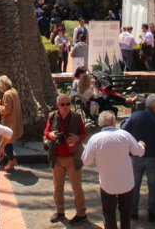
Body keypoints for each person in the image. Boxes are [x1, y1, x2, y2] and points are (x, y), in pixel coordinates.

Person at [83, 111, 145, 229]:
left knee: (108, 212)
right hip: (126, 182)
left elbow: (86, 161)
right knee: (125, 212)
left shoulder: (95, 139)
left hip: (107, 183)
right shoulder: (124, 135)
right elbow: (139, 152)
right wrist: (141, 144)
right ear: (113, 122)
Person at [45, 93, 88, 225]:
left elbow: (85, 133)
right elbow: (46, 132)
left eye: (68, 104)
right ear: (57, 105)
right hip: (57, 158)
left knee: (77, 187)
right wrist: (51, 135)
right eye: (62, 104)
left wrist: (77, 138)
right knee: (58, 187)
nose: (66, 107)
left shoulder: (76, 117)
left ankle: (81, 214)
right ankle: (60, 211)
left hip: (72, 158)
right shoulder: (52, 117)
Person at [123, 94, 155, 222]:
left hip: (136, 156)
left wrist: (131, 145)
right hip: (153, 157)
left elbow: (124, 130)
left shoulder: (135, 116)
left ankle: (133, 211)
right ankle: (152, 212)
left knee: (134, 184)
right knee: (153, 186)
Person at [0, 75, 23, 171]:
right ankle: (11, 160)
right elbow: (9, 105)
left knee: (6, 142)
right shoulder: (13, 91)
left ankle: (11, 160)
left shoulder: (7, 94)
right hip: (14, 121)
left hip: (9, 122)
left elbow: (6, 110)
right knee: (8, 142)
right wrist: (1, 102)